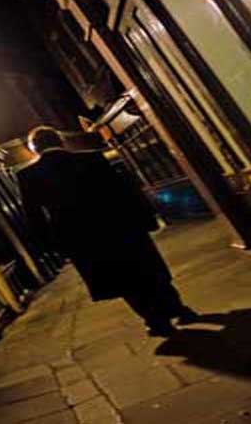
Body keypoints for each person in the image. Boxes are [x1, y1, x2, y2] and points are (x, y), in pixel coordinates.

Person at [16, 125, 197, 336]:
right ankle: (179, 310)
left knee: (122, 280)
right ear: (60, 141)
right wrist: (146, 218)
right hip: (121, 226)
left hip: (82, 239)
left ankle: (155, 321)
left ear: (35, 149)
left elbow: (34, 215)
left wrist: (53, 245)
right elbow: (125, 191)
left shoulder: (28, 175)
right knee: (149, 271)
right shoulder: (92, 158)